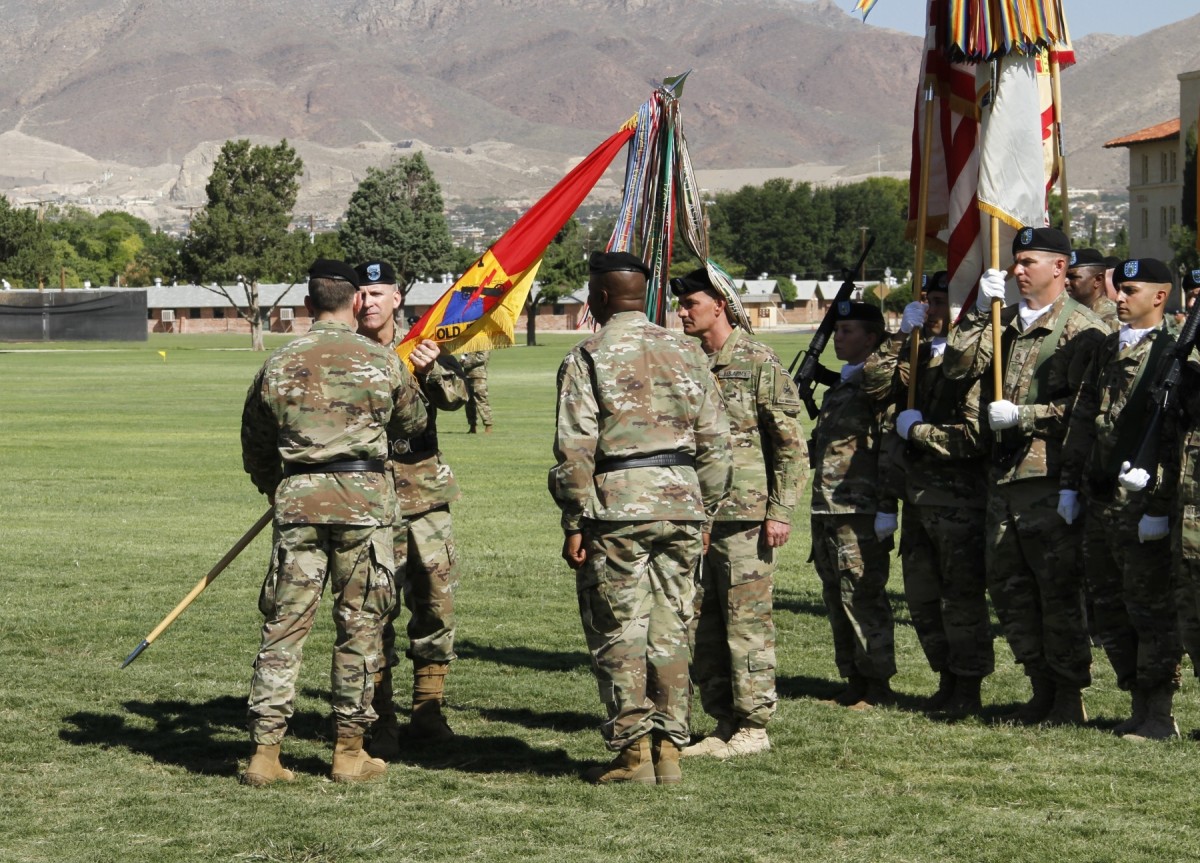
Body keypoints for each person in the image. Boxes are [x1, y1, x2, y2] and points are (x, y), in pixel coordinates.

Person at [239, 259, 427, 786]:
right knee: (361, 627)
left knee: (284, 627)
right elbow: (414, 421)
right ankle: (349, 751)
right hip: (364, 504)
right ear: (353, 304)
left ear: (307, 306)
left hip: (298, 500)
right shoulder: (380, 360)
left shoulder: (278, 362)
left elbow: (254, 442)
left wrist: (277, 485)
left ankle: (265, 752)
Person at [548, 251, 731, 785]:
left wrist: (574, 520)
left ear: (600, 296)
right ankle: (671, 748)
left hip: (617, 507)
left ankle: (633, 754)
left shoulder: (589, 354)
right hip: (682, 502)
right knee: (673, 628)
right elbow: (716, 440)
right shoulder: (687, 351)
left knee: (619, 631)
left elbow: (574, 447)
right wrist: (708, 510)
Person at [943, 226, 1107, 725]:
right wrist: (976, 315)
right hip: (1003, 479)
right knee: (1010, 591)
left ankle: (1067, 694)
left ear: (1059, 267)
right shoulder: (1003, 321)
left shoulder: (1083, 330)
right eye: (1016, 261)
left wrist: (1026, 416)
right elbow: (956, 368)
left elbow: (1090, 410)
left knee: (1056, 592)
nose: (1016, 270)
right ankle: (1039, 685)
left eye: (1028, 262)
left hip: (1048, 479)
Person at [670, 267, 807, 758]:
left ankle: (754, 725)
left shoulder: (756, 359)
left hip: (746, 515)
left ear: (720, 306)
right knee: (700, 622)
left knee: (746, 622)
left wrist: (781, 510)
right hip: (694, 515)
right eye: (680, 305)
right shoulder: (685, 360)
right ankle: (723, 718)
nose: (682, 313)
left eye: (691, 304)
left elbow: (789, 445)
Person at [1061, 257, 1180, 740]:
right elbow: (1084, 417)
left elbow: (1180, 435)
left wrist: (1158, 498)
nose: (1118, 297)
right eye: (1118, 289)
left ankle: (1159, 712)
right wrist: (1071, 482)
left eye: (1130, 290)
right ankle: (1135, 700)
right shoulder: (1107, 348)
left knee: (1148, 609)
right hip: (1101, 497)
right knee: (1109, 609)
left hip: (1141, 501)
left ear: (1160, 296)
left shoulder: (1174, 353)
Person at [355, 260, 469, 755]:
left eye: (378, 293)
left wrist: (434, 367)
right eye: (361, 293)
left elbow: (456, 398)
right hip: (367, 497)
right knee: (372, 610)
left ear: (397, 298)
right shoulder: (346, 352)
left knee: (435, 605)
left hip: (424, 494)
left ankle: (428, 712)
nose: (368, 302)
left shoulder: (423, 343)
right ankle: (379, 719)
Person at [872, 271, 992, 717]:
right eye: (928, 300)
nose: (933, 309)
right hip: (917, 497)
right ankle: (945, 677)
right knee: (922, 601)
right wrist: (900, 338)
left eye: (941, 301)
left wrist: (919, 432)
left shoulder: (976, 363)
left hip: (959, 499)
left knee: (960, 600)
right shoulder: (916, 355)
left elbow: (974, 437)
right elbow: (874, 385)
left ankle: (969, 685)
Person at [809, 301, 898, 709]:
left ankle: (877, 683)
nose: (838, 339)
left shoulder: (878, 383)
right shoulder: (844, 383)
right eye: (837, 330)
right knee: (835, 595)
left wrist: (886, 504)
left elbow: (885, 446)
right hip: (828, 506)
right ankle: (853, 678)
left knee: (862, 595)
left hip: (859, 507)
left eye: (847, 331)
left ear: (871, 338)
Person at [1067, 248, 1119, 332]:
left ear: (1098, 280)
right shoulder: (1066, 314)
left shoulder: (1113, 321)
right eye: (1064, 276)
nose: (1065, 281)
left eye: (1072, 277)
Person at [460, 350, 492, 433]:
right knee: (469, 402)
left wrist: (466, 362)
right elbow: (465, 355)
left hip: (479, 376)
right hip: (467, 376)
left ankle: (488, 425)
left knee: (481, 400)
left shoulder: (483, 343)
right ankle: (472, 426)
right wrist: (461, 360)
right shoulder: (470, 344)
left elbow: (482, 358)